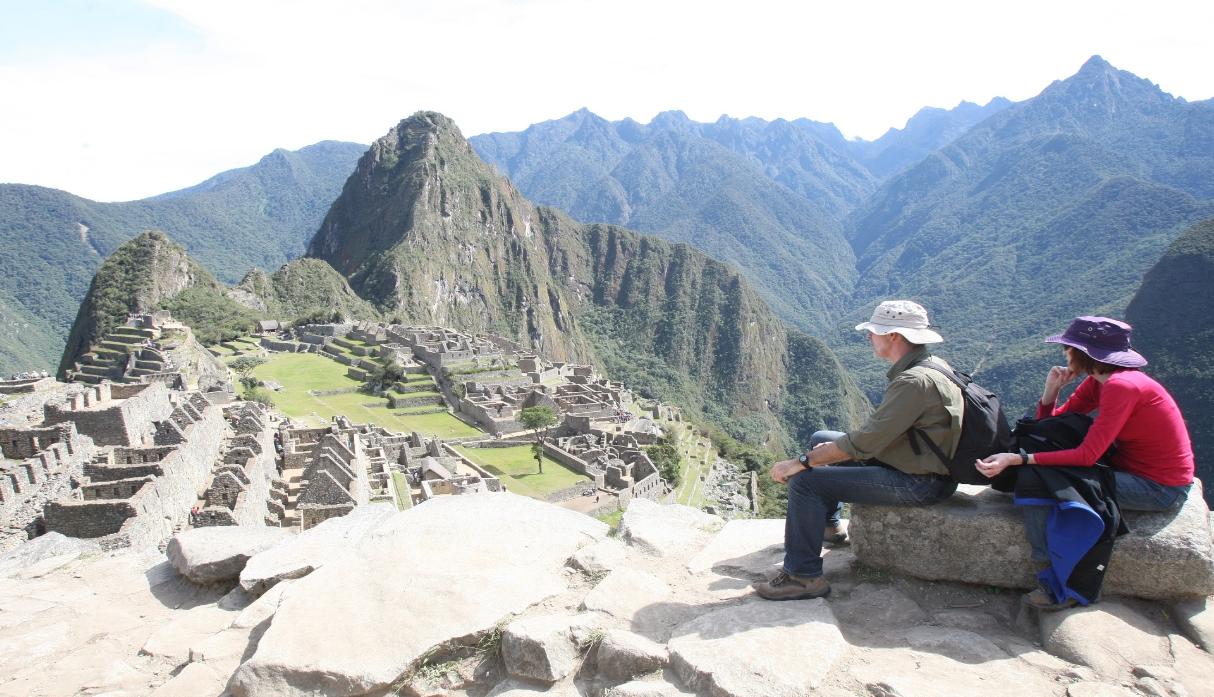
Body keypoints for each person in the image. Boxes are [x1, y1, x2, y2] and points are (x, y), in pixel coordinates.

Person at [976, 317, 1195, 605]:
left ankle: (1059, 579)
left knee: (1041, 481)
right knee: (1038, 472)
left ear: (1083, 353)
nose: (1065, 354)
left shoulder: (1122, 386)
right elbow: (1051, 431)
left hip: (1159, 487)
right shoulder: (1100, 382)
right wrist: (1051, 392)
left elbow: (1087, 455)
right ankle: (1054, 568)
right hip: (1127, 468)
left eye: (1068, 348)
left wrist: (1020, 459)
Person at [753, 300, 961, 601]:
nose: (869, 337)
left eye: (874, 332)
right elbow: (878, 436)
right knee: (821, 437)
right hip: (918, 461)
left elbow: (864, 443)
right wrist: (829, 449)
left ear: (894, 337)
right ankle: (828, 527)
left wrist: (800, 462)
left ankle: (803, 576)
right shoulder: (929, 366)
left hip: (920, 481)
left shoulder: (914, 382)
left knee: (806, 482)